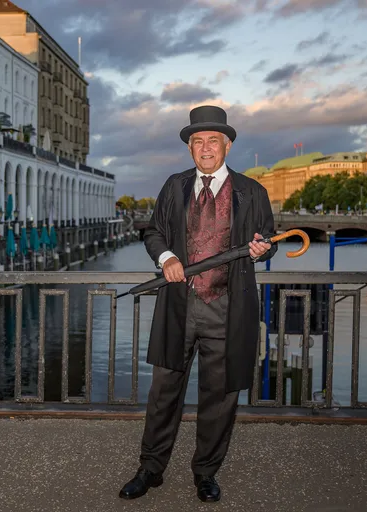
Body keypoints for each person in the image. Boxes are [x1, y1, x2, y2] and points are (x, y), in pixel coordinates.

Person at [118, 105, 275, 503]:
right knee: (163, 393)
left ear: (228, 144)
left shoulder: (252, 191)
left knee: (219, 398)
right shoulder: (174, 186)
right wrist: (166, 258)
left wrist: (260, 250)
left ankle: (205, 473)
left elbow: (266, 240)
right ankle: (150, 469)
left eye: (213, 140)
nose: (205, 147)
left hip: (228, 308)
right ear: (190, 148)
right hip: (178, 307)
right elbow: (153, 230)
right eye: (197, 141)